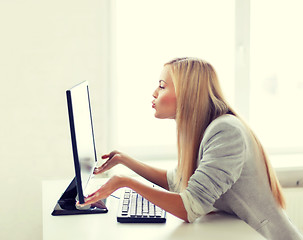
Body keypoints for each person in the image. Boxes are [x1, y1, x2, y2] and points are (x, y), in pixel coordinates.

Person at [80, 57, 303, 240]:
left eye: (162, 86)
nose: (154, 93)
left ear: (187, 93)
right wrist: (125, 161)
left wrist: (125, 182)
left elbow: (189, 208)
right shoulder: (207, 129)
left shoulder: (226, 132)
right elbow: (176, 180)